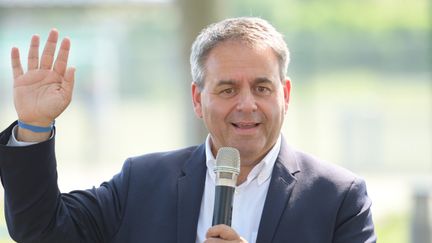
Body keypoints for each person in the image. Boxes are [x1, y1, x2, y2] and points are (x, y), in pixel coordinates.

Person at [0, 17, 376, 243]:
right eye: (228, 89)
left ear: (285, 94)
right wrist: (34, 126)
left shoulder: (338, 197)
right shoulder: (142, 181)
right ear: (197, 99)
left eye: (262, 88)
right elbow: (42, 231)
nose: (247, 104)